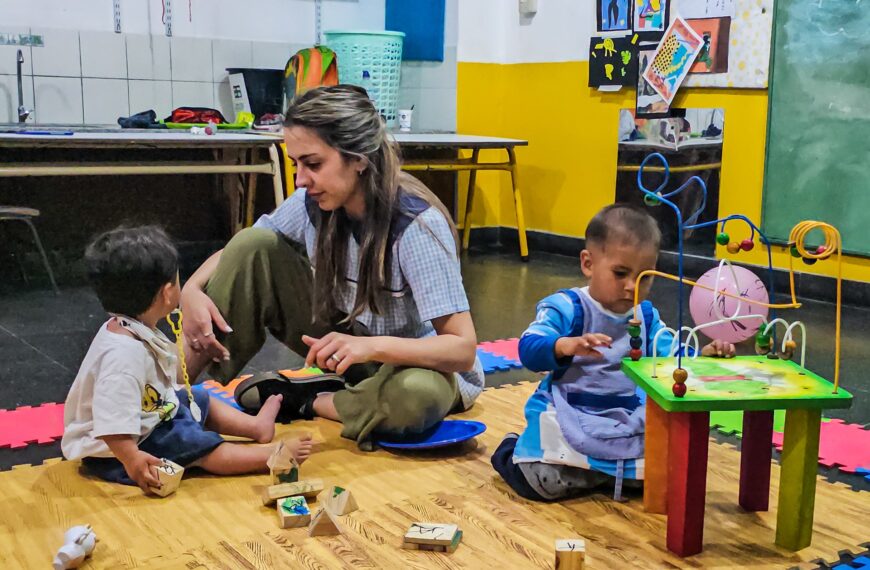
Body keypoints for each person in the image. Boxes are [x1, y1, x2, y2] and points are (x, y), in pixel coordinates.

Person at [179, 85, 484, 450]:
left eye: (313, 164)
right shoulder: (313, 201)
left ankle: (311, 400)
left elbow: (462, 350)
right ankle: (171, 396)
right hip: (350, 349)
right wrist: (191, 291)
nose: (300, 179)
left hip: (414, 365)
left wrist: (370, 348)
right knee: (252, 244)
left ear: (359, 158)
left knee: (416, 397)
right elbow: (241, 251)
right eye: (295, 164)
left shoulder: (416, 225)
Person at [491, 205, 734, 501]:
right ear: (588, 263)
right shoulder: (568, 307)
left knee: (660, 478)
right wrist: (564, 345)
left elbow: (672, 357)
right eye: (620, 273)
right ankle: (510, 450)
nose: (632, 286)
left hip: (624, 415)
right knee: (543, 483)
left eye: (644, 277)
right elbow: (528, 348)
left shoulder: (645, 316)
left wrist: (703, 358)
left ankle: (599, 472)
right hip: (570, 411)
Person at [61, 226, 312, 494]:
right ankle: (269, 455)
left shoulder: (130, 325)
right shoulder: (121, 359)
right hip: (116, 452)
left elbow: (165, 371)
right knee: (193, 444)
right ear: (168, 293)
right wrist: (133, 460)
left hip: (148, 417)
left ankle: (255, 427)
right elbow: (112, 425)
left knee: (198, 398)